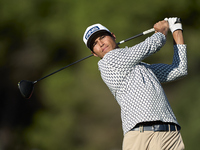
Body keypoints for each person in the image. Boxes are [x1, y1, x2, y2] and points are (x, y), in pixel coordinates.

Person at [83, 17, 187, 150]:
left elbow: (179, 70)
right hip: (140, 136)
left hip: (170, 135)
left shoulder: (142, 68)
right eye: (95, 44)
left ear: (113, 36)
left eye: (102, 37)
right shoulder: (108, 62)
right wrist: (162, 30)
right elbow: (152, 45)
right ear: (94, 53)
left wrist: (176, 29)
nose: (101, 43)